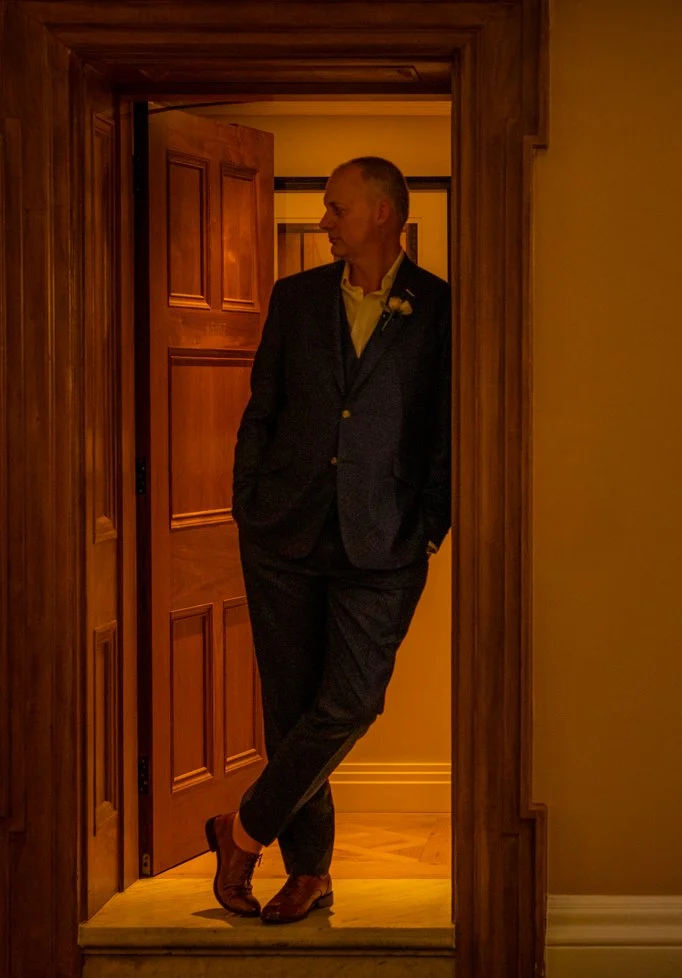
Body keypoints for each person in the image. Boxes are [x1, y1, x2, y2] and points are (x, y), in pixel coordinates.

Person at [208, 156, 451, 924]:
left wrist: (428, 526)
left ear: (383, 212)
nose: (324, 221)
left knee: (350, 700)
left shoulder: (441, 307)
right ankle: (310, 873)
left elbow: (447, 426)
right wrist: (248, 503)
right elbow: (264, 408)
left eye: (336, 208)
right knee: (291, 706)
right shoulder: (296, 298)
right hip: (281, 532)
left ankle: (242, 830)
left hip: (385, 542)